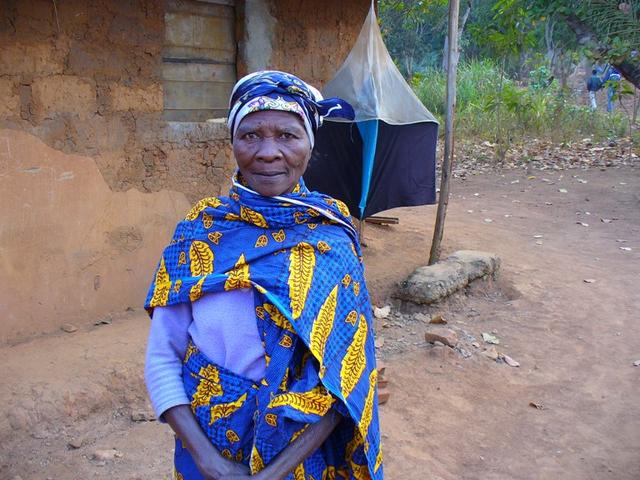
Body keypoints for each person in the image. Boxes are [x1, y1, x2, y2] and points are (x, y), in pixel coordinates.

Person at [144, 70, 383, 480]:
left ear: (310, 143)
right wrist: (210, 462)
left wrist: (274, 473)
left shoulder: (331, 241)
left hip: (300, 457)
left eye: (288, 135)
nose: (268, 152)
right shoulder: (200, 231)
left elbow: (346, 378)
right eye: (251, 135)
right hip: (205, 450)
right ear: (233, 142)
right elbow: (163, 356)